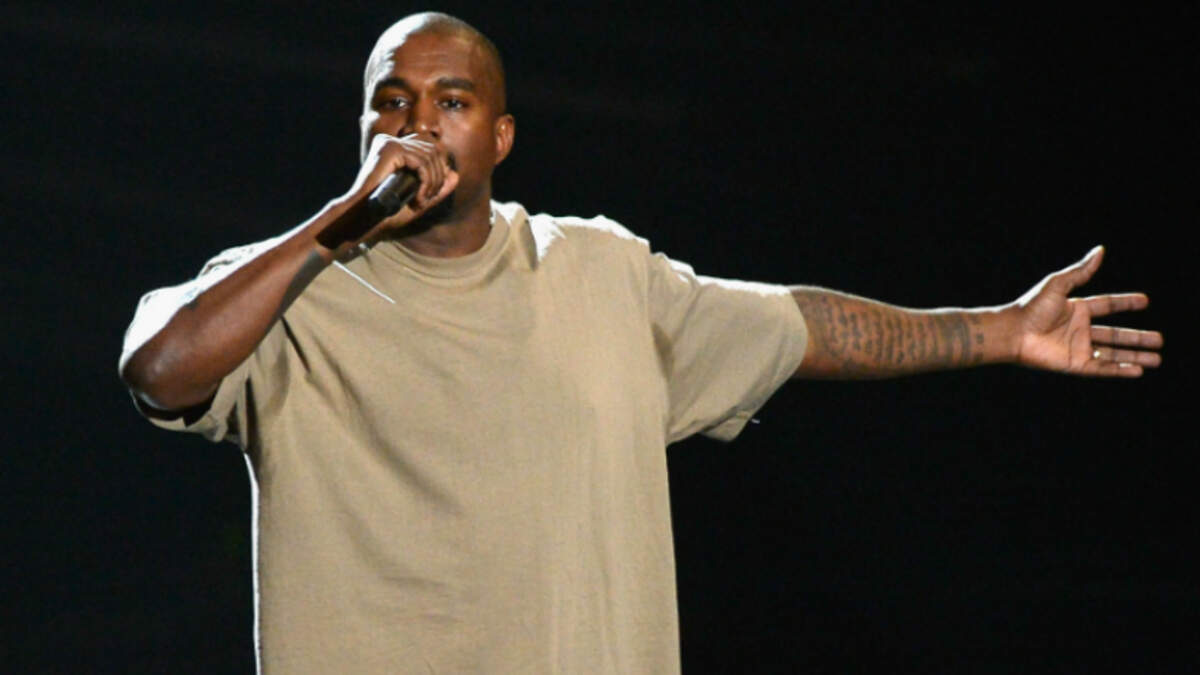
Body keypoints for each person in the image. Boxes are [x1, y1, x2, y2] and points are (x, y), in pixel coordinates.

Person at [118, 12, 1162, 674]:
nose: (417, 124)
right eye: (391, 103)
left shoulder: (600, 272)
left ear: (500, 136)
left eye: (451, 101)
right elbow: (159, 373)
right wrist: (337, 227)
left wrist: (998, 330)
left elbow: (798, 326)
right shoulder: (293, 286)